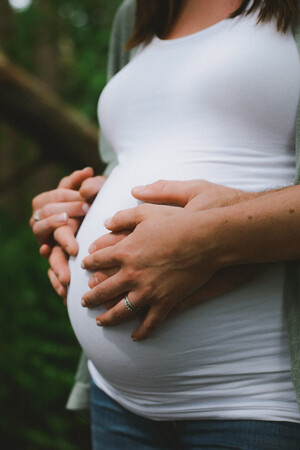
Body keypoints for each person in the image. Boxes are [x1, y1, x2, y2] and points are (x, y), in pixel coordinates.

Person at [31, 0, 300, 448]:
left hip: (260, 402)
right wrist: (74, 209)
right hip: (116, 405)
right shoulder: (138, 13)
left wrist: (212, 237)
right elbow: (130, 159)